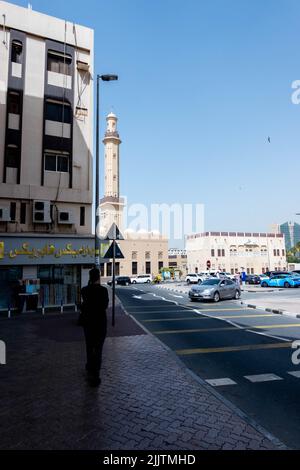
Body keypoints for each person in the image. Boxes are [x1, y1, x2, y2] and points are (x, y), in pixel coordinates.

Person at [80, 268, 109, 387]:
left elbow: (84, 306)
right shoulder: (103, 291)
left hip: (88, 322)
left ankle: (89, 367)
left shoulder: (84, 290)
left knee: (89, 346)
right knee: (98, 348)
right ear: (99, 277)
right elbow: (105, 306)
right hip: (100, 323)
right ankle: (96, 373)